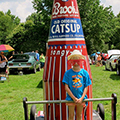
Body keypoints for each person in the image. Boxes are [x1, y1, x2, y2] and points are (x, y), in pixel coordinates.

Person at [62, 50, 92, 120]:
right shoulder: (67, 73)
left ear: (81, 61)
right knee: (71, 115)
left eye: (78, 61)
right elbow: (66, 87)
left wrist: (81, 98)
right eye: (74, 61)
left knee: (79, 115)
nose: (76, 63)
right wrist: (73, 98)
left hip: (81, 98)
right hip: (70, 98)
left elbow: (86, 87)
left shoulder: (84, 73)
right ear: (71, 61)